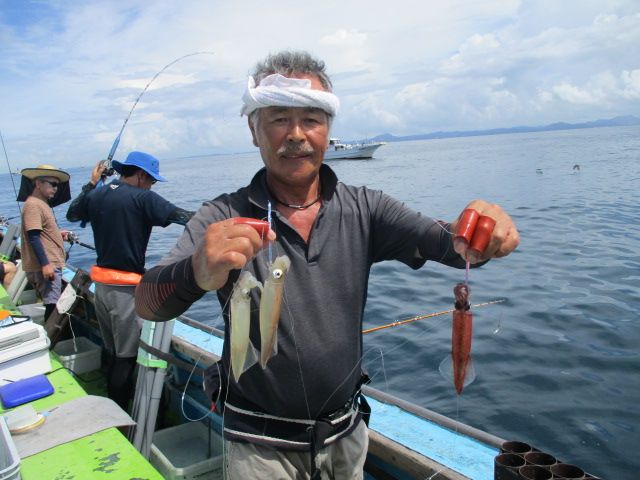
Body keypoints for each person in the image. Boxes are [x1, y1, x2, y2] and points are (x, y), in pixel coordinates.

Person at [134, 51, 520, 479]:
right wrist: (195, 273)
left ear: (328, 130)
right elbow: (148, 304)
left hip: (346, 436)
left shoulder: (367, 209)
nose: (296, 135)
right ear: (253, 130)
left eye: (311, 120)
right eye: (279, 118)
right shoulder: (221, 216)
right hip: (259, 447)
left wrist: (484, 234)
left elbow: (451, 246)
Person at [66, 151, 194, 411]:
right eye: (152, 181)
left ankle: (110, 407)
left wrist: (92, 183)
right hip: (124, 291)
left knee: (113, 352)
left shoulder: (97, 194)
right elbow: (186, 217)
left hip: (102, 288)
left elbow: (72, 214)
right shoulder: (142, 197)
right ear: (141, 175)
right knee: (125, 359)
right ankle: (118, 418)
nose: (151, 186)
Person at [19, 164, 71, 321]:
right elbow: (33, 236)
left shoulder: (41, 203)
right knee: (52, 306)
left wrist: (57, 234)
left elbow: (40, 231)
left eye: (57, 185)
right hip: (48, 265)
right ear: (38, 183)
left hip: (51, 263)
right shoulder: (33, 205)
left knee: (52, 303)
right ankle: (48, 333)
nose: (56, 188)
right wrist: (46, 264)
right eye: (52, 184)